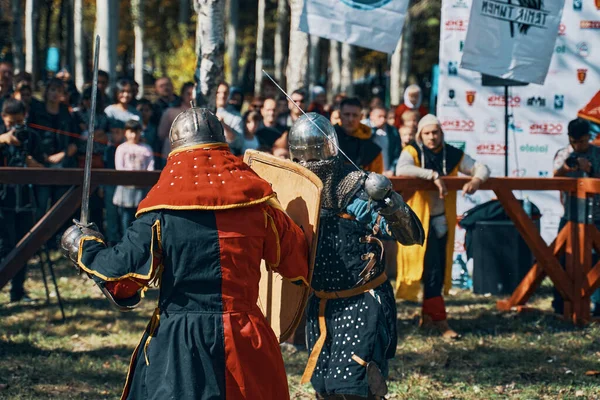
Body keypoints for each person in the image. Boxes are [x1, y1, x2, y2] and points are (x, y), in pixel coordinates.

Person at [60, 107, 309, 399]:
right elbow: (296, 263)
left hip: (180, 342)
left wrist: (85, 246)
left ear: (176, 149)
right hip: (245, 336)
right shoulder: (259, 205)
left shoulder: (162, 211)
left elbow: (121, 275)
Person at [288, 113, 424, 400]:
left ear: (328, 152)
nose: (305, 167)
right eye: (299, 161)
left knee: (357, 386)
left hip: (361, 302)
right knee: (324, 386)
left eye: (310, 160)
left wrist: (390, 203)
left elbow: (411, 236)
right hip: (321, 304)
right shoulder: (296, 193)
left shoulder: (357, 190)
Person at [395, 114, 490, 338]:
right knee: (427, 269)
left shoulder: (452, 153)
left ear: (441, 133)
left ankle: (434, 318)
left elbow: (481, 168)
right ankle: (434, 318)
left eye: (435, 132)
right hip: (417, 222)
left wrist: (476, 180)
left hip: (441, 221)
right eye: (427, 133)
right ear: (420, 135)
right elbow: (403, 169)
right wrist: (432, 175)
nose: (431, 137)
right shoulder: (413, 151)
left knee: (436, 269)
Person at [552, 118, 600, 316]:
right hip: (571, 216)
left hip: (596, 216)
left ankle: (597, 307)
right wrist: (566, 168)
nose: (577, 146)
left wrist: (591, 170)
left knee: (596, 264)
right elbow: (554, 178)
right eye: (573, 141)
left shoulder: (597, 153)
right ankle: (560, 305)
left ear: (589, 137)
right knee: (560, 260)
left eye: (581, 141)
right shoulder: (564, 154)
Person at [0, 99, 44, 302]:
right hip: (4, 197)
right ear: (3, 118)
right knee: (5, 245)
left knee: (24, 244)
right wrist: (3, 139)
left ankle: (17, 291)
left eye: (19, 121)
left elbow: (44, 169)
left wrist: (31, 162)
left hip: (26, 198)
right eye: (11, 123)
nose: (15, 127)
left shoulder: (30, 137)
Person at [113, 120, 154, 235]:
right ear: (125, 132)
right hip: (125, 188)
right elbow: (119, 168)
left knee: (141, 219)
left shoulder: (146, 149)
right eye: (131, 132)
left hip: (142, 189)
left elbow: (150, 167)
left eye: (137, 132)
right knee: (125, 220)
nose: (134, 135)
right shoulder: (121, 148)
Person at [335, 97, 384, 173]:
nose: (350, 119)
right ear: (339, 115)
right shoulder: (327, 140)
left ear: (361, 117)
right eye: (346, 114)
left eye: (355, 115)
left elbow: (375, 182)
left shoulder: (372, 150)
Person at [363, 105, 401, 177]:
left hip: (386, 173)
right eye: (379, 116)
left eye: (385, 117)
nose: (383, 120)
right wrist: (373, 130)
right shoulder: (363, 129)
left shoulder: (393, 131)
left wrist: (392, 170)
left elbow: (397, 153)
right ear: (371, 116)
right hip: (368, 174)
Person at [215, 81, 244, 153]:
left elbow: (239, 144)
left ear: (229, 95)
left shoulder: (236, 117)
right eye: (218, 92)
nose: (222, 96)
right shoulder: (205, 110)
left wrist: (224, 125)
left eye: (225, 93)